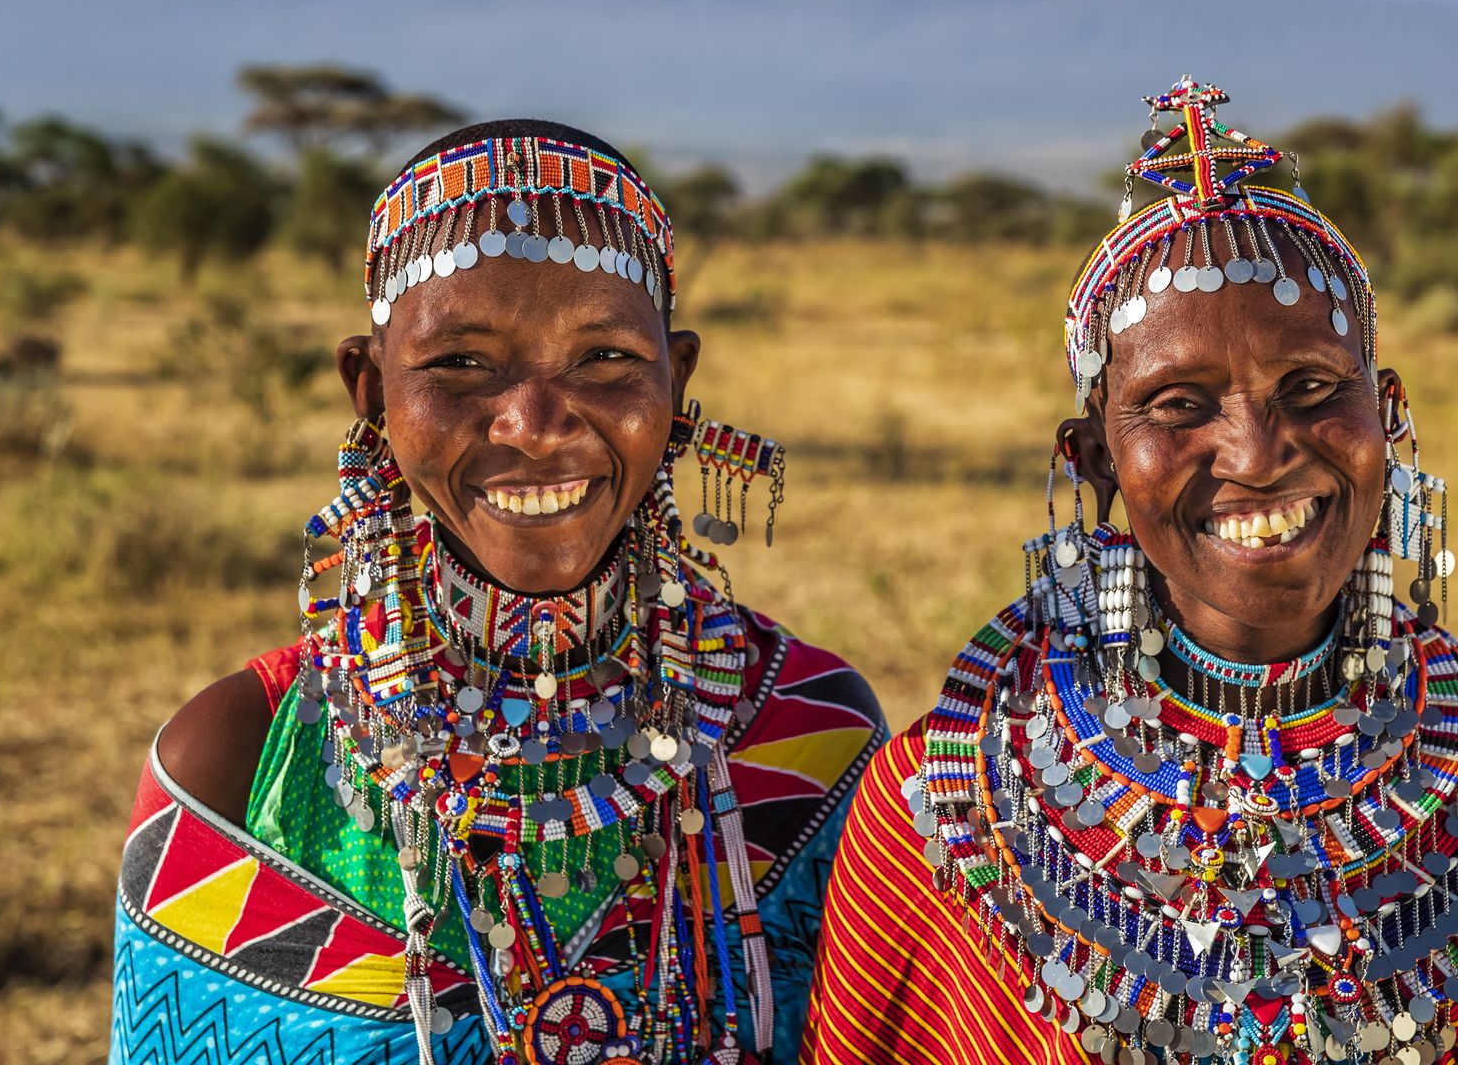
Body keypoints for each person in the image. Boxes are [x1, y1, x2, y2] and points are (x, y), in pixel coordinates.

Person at [804, 78, 1458, 1064]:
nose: (1257, 452)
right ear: (1096, 460)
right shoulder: (941, 811)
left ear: (1391, 413)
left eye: (1312, 387)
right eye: (1178, 403)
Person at [110, 121, 885, 1065]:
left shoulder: (808, 738)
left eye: (604, 359)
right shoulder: (237, 762)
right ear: (369, 390)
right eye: (460, 365)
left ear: (677, 381)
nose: (534, 425)